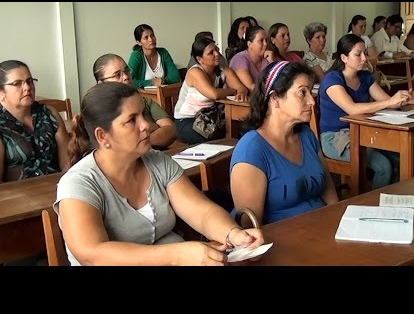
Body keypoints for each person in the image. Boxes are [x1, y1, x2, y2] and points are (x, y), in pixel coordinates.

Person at [55, 82, 264, 266]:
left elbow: (201, 212)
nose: (146, 125)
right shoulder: (78, 184)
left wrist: (233, 235)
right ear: (103, 136)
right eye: (131, 120)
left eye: (143, 115)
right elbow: (93, 255)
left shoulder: (157, 161)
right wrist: (177, 255)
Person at [230, 61, 338, 225]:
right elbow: (250, 228)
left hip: (321, 229)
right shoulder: (252, 149)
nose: (312, 101)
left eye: (310, 92)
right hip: (283, 241)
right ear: (275, 98)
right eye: (302, 93)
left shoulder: (306, 136)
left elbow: (330, 196)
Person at [319, 34, 414, 189]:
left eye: (365, 53)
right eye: (358, 54)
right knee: (384, 166)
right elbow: (352, 109)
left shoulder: (365, 76)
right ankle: (374, 205)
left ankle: (393, 200)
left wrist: (407, 99)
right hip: (335, 138)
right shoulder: (332, 80)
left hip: (364, 133)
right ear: (344, 57)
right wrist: (390, 101)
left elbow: (388, 102)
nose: (364, 58)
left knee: (400, 158)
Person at [0, 60, 70, 182]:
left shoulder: (49, 114)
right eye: (17, 84)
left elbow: (68, 163)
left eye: (30, 81)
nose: (27, 87)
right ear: (1, 92)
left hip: (57, 190)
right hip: (16, 198)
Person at [93, 53, 177, 149]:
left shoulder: (145, 101)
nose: (126, 77)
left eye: (127, 71)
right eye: (117, 75)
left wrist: (139, 140)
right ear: (101, 84)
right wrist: (155, 127)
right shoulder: (99, 112)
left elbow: (171, 130)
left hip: (158, 156)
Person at [174, 37, 249, 144]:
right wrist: (232, 91)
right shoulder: (195, 72)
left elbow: (241, 87)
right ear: (200, 59)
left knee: (239, 131)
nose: (217, 54)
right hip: (187, 120)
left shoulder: (221, 67)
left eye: (217, 50)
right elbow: (214, 94)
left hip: (210, 118)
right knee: (218, 138)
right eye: (211, 53)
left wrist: (241, 92)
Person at [128, 24, 181, 88]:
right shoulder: (136, 56)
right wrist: (152, 82)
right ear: (139, 42)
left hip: (163, 94)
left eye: (152, 35)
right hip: (144, 96)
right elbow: (129, 81)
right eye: (146, 37)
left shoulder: (163, 52)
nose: (151, 39)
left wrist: (162, 80)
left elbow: (176, 77)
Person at [229, 25, 273, 92]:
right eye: (261, 41)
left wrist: (272, 63)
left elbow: (277, 82)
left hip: (261, 99)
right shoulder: (239, 59)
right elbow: (251, 87)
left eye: (266, 40)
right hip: (238, 101)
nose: (265, 44)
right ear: (249, 44)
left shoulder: (267, 58)